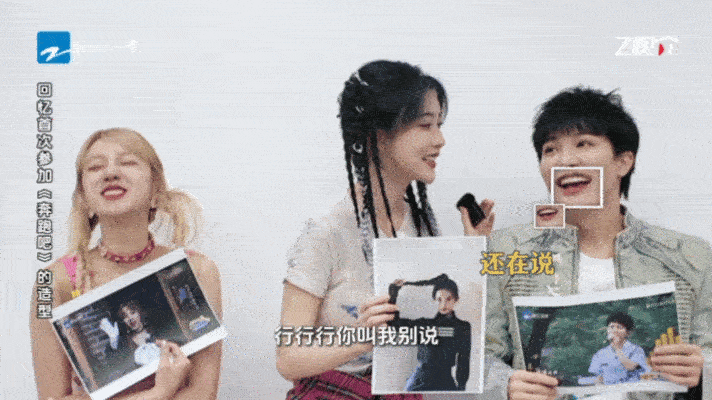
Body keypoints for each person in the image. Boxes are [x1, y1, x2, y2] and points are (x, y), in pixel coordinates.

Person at [276, 60, 494, 399]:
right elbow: (288, 359)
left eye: (439, 125)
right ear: (377, 134)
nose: (440, 140)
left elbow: (444, 322)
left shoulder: (422, 224)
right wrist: (359, 340)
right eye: (425, 125)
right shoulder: (327, 233)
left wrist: (471, 255)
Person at [483, 87, 710, 400]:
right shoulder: (505, 251)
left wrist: (701, 373)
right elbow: (477, 355)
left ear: (623, 162)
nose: (565, 160)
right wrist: (504, 386)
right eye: (550, 149)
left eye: (583, 144)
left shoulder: (690, 256)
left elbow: (708, 352)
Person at [30, 128, 223, 400]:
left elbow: (203, 393)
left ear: (156, 190)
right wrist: (160, 393)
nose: (110, 173)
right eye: (95, 167)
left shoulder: (196, 270)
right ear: (83, 196)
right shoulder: (54, 281)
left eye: (128, 162)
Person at [388, 274, 471, 391]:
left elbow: (464, 359)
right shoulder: (425, 324)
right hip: (419, 381)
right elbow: (393, 323)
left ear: (456, 299)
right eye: (439, 300)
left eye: (448, 299)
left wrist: (461, 388)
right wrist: (393, 294)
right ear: (434, 300)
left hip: (445, 381)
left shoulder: (463, 327)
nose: (443, 304)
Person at [589, 312, 651, 385]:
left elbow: (631, 367)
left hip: (630, 389)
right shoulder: (600, 353)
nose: (615, 330)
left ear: (628, 332)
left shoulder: (636, 350)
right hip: (608, 390)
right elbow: (597, 376)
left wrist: (617, 348)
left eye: (619, 327)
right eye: (611, 327)